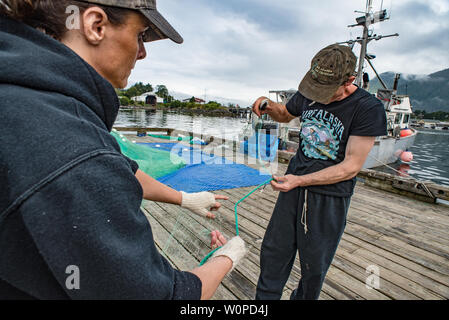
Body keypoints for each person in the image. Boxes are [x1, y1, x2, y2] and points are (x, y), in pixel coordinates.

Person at [0, 0, 246, 300]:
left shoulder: (26, 97)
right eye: (140, 35)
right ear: (95, 25)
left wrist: (184, 198)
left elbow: (114, 165)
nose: (142, 52)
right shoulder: (76, 152)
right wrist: (228, 257)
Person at [252, 44, 387, 300]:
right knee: (273, 251)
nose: (318, 95)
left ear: (349, 80)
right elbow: (286, 113)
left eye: (327, 90)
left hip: (329, 197)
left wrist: (299, 180)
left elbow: (351, 167)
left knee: (314, 266)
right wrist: (267, 105)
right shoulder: (311, 90)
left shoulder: (368, 108)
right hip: (293, 188)